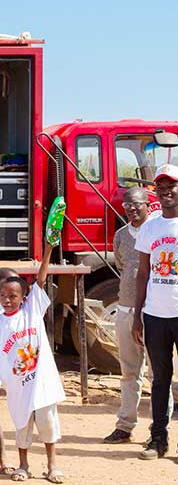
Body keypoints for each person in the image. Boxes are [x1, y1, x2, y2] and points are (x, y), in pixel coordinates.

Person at [0, 240, 65, 483]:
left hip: (41, 383)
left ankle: (52, 465)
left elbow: (40, 279)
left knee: (48, 425)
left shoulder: (32, 312)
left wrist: (48, 249)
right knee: (21, 425)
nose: (7, 300)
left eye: (13, 296)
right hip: (18, 385)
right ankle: (23, 464)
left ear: (24, 297)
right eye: (3, 296)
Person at [134, 164, 178, 459]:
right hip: (155, 315)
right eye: (161, 189)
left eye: (171, 187)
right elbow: (142, 273)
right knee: (160, 378)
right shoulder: (150, 226)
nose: (166, 193)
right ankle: (158, 439)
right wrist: (138, 314)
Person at [104, 187, 154, 444]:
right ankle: (125, 425)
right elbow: (124, 267)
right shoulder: (121, 235)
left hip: (154, 311)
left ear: (148, 205)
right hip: (125, 309)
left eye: (137, 204)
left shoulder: (157, 231)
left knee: (158, 375)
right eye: (127, 206)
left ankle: (158, 431)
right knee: (128, 372)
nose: (132, 209)